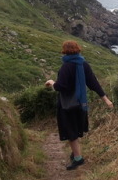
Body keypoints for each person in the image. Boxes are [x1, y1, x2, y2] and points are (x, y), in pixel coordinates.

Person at [45, 40, 113, 170]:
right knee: (75, 129)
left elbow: (60, 87)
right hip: (80, 103)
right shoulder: (83, 64)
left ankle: (78, 158)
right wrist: (105, 98)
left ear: (64, 51)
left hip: (67, 105)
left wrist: (52, 82)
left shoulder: (66, 66)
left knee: (71, 132)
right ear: (78, 49)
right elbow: (93, 82)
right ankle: (75, 152)